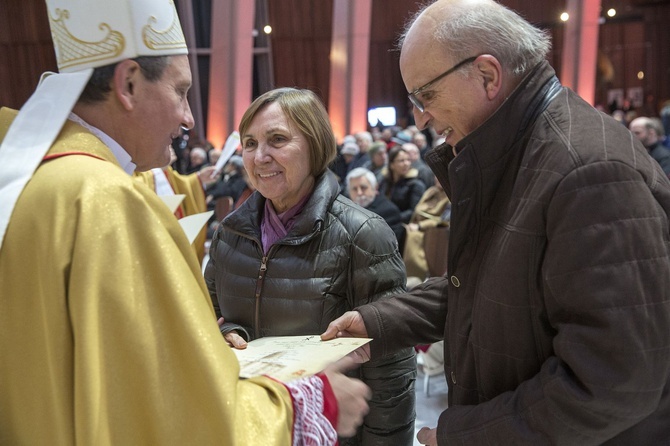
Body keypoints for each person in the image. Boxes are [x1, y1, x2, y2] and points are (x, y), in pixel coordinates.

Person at [0, 0, 371, 444]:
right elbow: (176, 417)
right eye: (180, 91)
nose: (189, 117)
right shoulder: (106, 200)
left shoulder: (32, 181)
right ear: (129, 83)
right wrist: (316, 401)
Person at [322, 0, 670, 445]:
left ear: (487, 75)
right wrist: (380, 320)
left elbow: (612, 383)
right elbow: (486, 291)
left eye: (424, 96)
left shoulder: (588, 170)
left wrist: (467, 435)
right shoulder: (517, 153)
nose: (421, 118)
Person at [205, 87, 417, 446]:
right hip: (257, 428)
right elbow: (210, 318)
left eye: (277, 140)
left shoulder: (362, 233)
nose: (260, 157)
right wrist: (226, 334)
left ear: (315, 145)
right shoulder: (230, 233)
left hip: (331, 431)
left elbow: (391, 370)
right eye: (250, 143)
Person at [135, 147, 218, 263]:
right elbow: (131, 186)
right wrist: (157, 170)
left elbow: (180, 183)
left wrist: (199, 178)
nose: (171, 145)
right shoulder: (136, 164)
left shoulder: (166, 170)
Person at [346, 167, 404, 247]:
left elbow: (387, 246)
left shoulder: (389, 211)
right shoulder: (346, 210)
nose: (359, 193)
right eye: (354, 189)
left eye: (363, 188)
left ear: (375, 188)